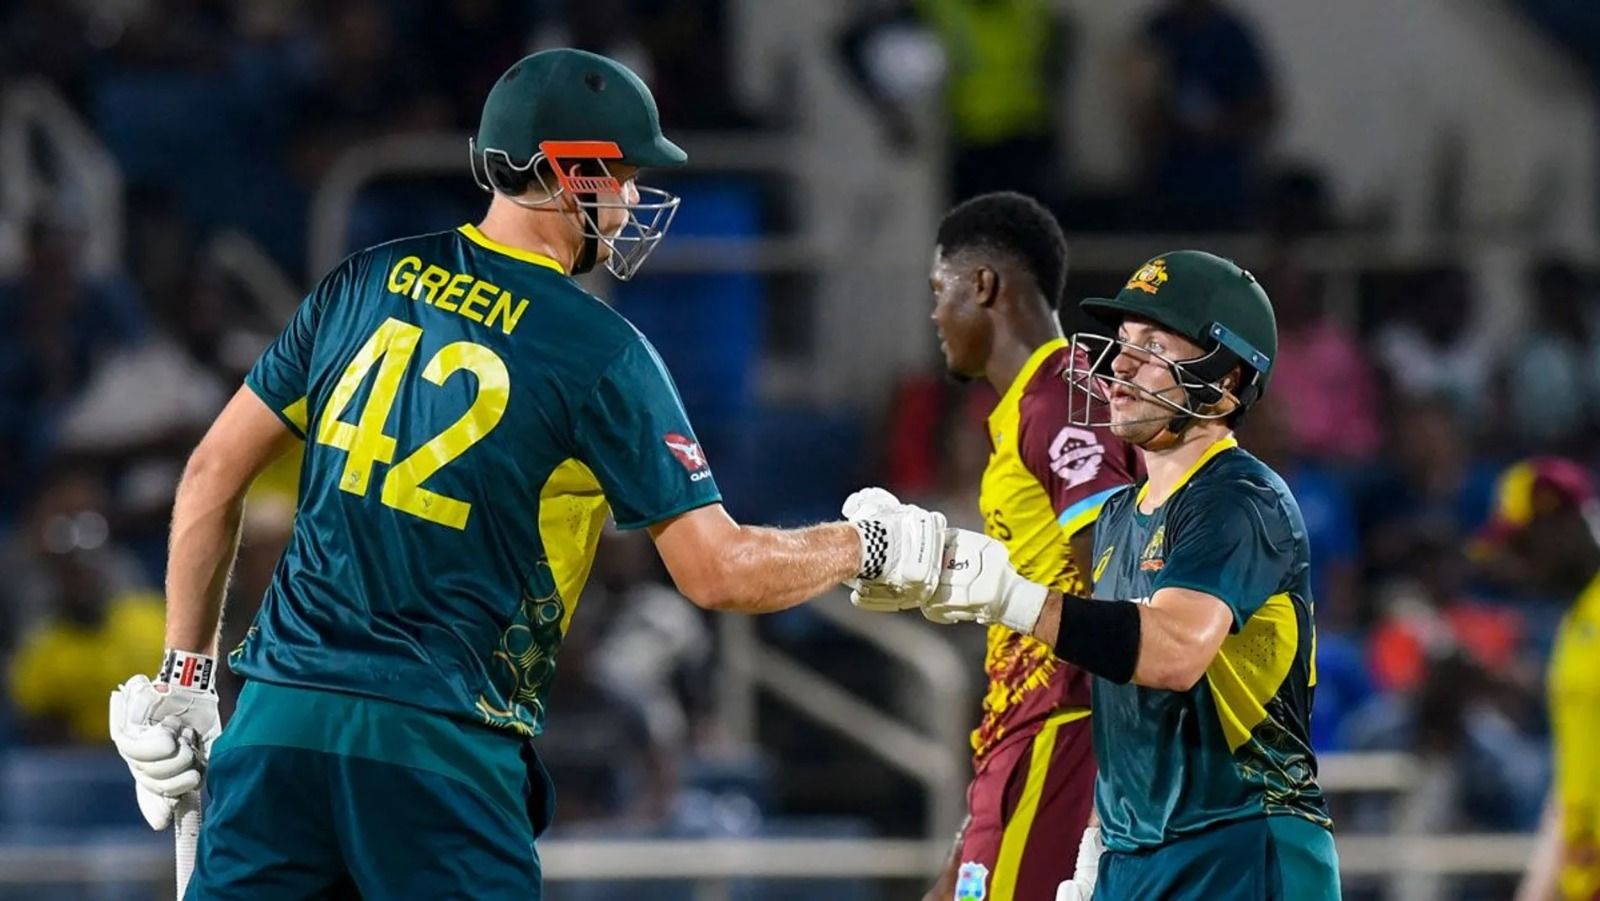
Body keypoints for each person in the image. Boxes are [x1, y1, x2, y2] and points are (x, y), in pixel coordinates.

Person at [106, 48, 944, 899]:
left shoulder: (360, 281)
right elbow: (718, 571)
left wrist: (184, 680)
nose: (628, 203)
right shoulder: (600, 350)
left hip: (276, 723)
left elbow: (212, 470)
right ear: (570, 170)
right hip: (436, 749)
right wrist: (866, 544)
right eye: (621, 176)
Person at [862, 251, 1340, 899]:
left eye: (1151, 346)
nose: (1117, 367)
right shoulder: (1116, 516)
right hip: (1134, 856)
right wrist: (1093, 842)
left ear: (1225, 379)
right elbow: (1124, 710)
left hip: (1241, 845)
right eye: (1120, 345)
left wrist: (1010, 595)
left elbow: (1173, 651)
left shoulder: (1239, 498)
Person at [875, 191, 1140, 900]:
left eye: (940, 292)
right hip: (1019, 739)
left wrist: (1101, 799)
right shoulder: (1022, 409)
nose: (934, 317)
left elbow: (1119, 585)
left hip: (1065, 733)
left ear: (984, 284)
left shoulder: (1062, 397)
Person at [1472, 457, 1600, 901]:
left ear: (1558, 523)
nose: (1519, 567)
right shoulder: (1574, 627)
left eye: (1524, 546)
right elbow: (1572, 785)